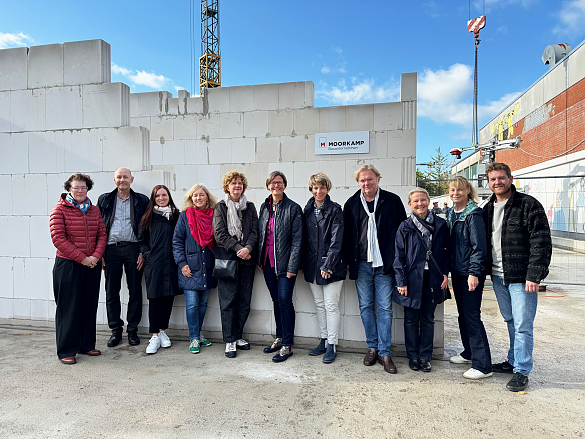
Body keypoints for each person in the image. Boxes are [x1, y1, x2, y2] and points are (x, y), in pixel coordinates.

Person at [484, 162, 552, 392]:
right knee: (511, 321)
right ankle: (513, 360)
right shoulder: (488, 208)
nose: (497, 182)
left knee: (523, 324)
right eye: (493, 179)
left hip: (521, 277)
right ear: (489, 182)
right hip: (497, 275)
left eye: (501, 178)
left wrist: (534, 275)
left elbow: (541, 241)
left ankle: (522, 371)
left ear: (511, 179)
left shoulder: (528, 205)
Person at [343, 165, 406, 374]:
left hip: (385, 264)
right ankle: (372, 347)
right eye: (362, 180)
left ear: (378, 179)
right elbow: (346, 237)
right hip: (361, 264)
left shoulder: (393, 201)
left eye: (370, 179)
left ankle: (385, 352)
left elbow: (402, 234)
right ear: (358, 182)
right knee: (366, 307)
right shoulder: (351, 204)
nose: (366, 183)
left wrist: (399, 261)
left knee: (385, 308)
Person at [50, 173, 107, 364]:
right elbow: (58, 239)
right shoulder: (59, 210)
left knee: (88, 305)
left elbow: (102, 234)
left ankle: (86, 345)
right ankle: (67, 349)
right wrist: (82, 258)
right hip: (69, 265)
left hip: (92, 264)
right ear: (69, 189)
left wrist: (96, 257)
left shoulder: (94, 211)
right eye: (76, 187)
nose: (80, 191)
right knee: (68, 307)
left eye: (84, 187)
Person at [394, 188, 450, 372]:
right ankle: (413, 356)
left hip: (433, 278)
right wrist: (401, 281)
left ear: (428, 201)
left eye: (423, 200)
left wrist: (445, 273)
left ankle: (425, 357)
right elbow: (398, 256)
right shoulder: (405, 226)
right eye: (416, 201)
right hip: (411, 279)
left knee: (427, 318)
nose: (420, 204)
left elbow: (446, 252)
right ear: (410, 204)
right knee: (410, 319)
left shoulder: (441, 224)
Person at [97, 167, 149, 347]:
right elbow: (98, 227)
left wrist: (143, 251)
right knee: (111, 291)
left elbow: (147, 227)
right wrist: (100, 253)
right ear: (114, 180)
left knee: (135, 290)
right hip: (110, 250)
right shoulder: (105, 199)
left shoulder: (141, 200)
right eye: (119, 177)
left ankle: (132, 330)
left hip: (134, 249)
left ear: (131, 179)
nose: (122, 180)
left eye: (125, 177)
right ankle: (115, 330)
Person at [447, 176, 492, 380]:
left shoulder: (473, 215)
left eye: (460, 190)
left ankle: (483, 365)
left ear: (468, 191)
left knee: (472, 316)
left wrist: (474, 273)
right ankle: (469, 352)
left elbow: (479, 247)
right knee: (462, 315)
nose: (456, 193)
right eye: (452, 190)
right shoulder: (452, 213)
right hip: (457, 272)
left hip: (469, 273)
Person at [258, 171, 303, 363]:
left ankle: (288, 345)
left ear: (284, 185)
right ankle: (279, 338)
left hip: (285, 266)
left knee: (285, 301)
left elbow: (298, 240)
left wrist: (293, 266)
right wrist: (260, 259)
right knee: (276, 300)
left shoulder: (293, 208)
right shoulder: (265, 206)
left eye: (280, 182)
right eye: (273, 183)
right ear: (268, 185)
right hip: (268, 264)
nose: (276, 185)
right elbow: (261, 233)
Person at [213, 171, 259, 358]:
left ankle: (238, 335)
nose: (237, 186)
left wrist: (248, 248)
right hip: (228, 260)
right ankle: (229, 340)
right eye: (233, 183)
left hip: (247, 261)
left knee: (244, 302)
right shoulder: (220, 207)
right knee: (228, 302)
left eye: (240, 183)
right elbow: (220, 234)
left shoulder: (250, 207)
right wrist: (239, 248)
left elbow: (256, 231)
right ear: (227, 187)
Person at [301, 172, 346, 364]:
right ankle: (323, 339)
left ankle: (332, 345)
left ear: (327, 189)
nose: (318, 191)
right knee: (319, 305)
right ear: (311, 189)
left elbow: (337, 241)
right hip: (312, 266)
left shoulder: (335, 210)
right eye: (315, 187)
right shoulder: (308, 209)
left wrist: (328, 266)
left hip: (332, 266)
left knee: (330, 305)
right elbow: (304, 240)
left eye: (322, 187)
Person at [172, 184, 217, 354]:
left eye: (201, 195)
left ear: (207, 197)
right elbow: (177, 241)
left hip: (208, 265)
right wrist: (182, 264)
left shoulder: (214, 215)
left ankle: (197, 334)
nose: (198, 198)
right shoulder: (185, 216)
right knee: (192, 304)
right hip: (189, 267)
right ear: (191, 199)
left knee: (203, 303)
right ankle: (193, 338)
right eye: (195, 196)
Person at [138, 185, 181, 355]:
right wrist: (148, 255)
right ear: (153, 198)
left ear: (169, 196)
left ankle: (163, 331)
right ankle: (154, 335)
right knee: (155, 298)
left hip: (171, 263)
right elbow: (141, 241)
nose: (161, 198)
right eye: (157, 196)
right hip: (154, 264)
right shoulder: (148, 217)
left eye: (164, 195)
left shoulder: (176, 216)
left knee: (168, 297)